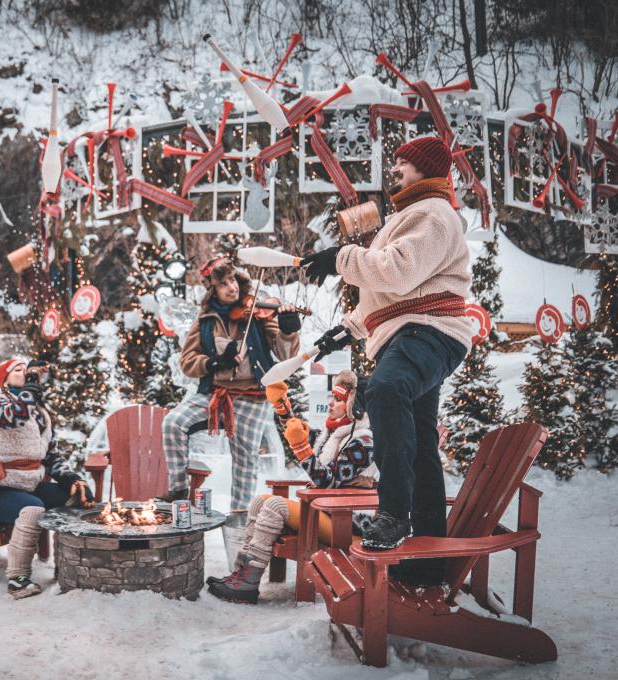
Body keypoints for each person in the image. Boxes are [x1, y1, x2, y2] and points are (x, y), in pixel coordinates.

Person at [300, 135, 471, 586]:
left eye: (403, 162)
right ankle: (429, 563)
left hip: (428, 332)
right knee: (422, 441)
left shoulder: (433, 214)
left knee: (385, 389)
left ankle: (394, 512)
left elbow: (397, 271)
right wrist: (349, 328)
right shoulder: (410, 216)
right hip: (411, 331)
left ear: (426, 168)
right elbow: (393, 294)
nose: (394, 168)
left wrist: (340, 257)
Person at [206, 372, 375, 604]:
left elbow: (327, 480)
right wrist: (283, 410)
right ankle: (242, 575)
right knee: (260, 501)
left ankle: (247, 582)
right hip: (326, 512)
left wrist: (301, 448)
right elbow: (300, 433)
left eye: (338, 399)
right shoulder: (335, 434)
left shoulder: (364, 441)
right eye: (331, 397)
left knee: (275, 505)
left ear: (354, 407)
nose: (330, 403)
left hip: (348, 521)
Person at [161, 257, 301, 511]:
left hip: (253, 396)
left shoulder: (258, 314)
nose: (232, 287)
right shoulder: (205, 321)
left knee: (245, 464)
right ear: (213, 290)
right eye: (223, 284)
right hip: (216, 394)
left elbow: (285, 354)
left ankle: (239, 520)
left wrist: (288, 331)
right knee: (173, 423)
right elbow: (188, 362)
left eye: (233, 280)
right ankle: (178, 489)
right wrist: (214, 362)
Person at [0, 357, 95, 599]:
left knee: (75, 497)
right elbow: (14, 417)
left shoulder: (40, 414)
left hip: (31, 485)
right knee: (33, 508)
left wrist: (71, 478)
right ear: (4, 381)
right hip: (0, 491)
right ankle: (17, 580)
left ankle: (67, 563)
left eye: (27, 370)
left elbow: (51, 455)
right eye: (18, 370)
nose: (25, 373)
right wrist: (30, 387)